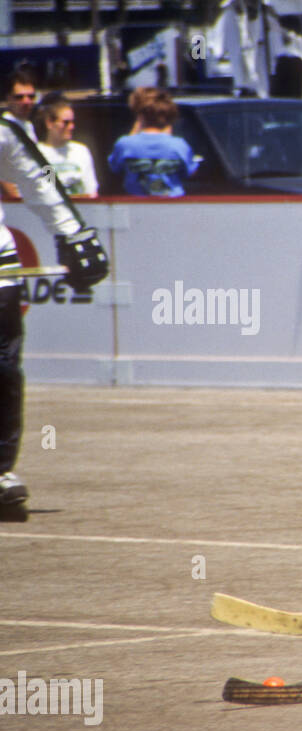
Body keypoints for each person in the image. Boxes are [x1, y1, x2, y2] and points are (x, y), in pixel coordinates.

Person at [1, 110, 110, 516]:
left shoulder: (4, 131)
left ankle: (0, 474)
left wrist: (73, 231)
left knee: (5, 370)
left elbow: (36, 178)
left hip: (0, 271)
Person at [107, 88, 200, 197]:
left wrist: (134, 131)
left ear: (140, 117)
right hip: (173, 205)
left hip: (135, 206)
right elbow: (190, 171)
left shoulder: (124, 144)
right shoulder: (178, 144)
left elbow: (114, 168)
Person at [37, 95, 98, 198]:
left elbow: (91, 193)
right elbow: (45, 192)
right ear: (49, 123)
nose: (71, 126)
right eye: (66, 122)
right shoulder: (37, 153)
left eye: (72, 122)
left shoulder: (81, 151)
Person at [2, 70, 40, 201]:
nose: (26, 101)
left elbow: (41, 163)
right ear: (8, 99)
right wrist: (18, 199)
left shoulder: (29, 127)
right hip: (17, 206)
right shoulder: (3, 129)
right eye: (19, 97)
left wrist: (52, 187)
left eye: (31, 96)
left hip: (35, 198)